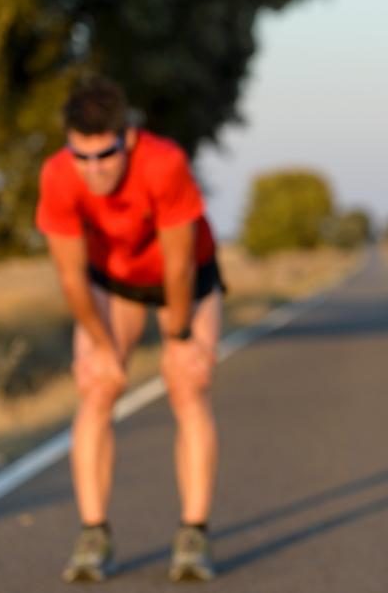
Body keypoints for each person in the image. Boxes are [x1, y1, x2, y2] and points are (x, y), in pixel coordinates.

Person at [36, 76, 226, 583]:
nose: (94, 171)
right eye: (83, 157)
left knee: (188, 384)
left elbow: (180, 265)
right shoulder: (58, 176)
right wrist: (102, 348)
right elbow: (71, 276)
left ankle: (193, 533)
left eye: (106, 155)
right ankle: (93, 533)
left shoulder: (163, 163)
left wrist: (181, 339)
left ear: (130, 138)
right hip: (112, 281)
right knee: (97, 385)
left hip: (183, 279)